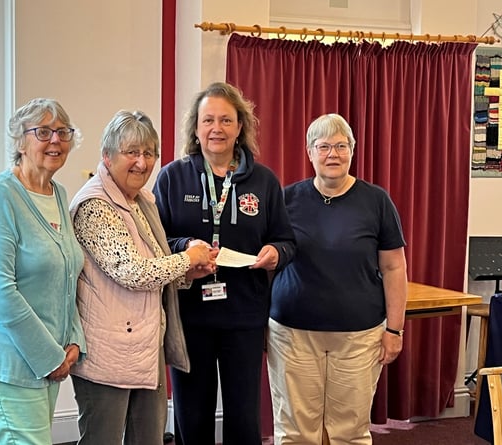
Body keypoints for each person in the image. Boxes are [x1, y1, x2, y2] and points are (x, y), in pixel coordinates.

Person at [152, 82, 296, 445]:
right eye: (208, 120)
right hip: (189, 315)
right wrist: (186, 247)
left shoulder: (264, 181)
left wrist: (276, 254)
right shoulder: (172, 177)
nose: (217, 128)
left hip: (244, 316)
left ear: (240, 127)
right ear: (196, 129)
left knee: (244, 415)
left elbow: (286, 240)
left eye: (226, 120)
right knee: (192, 413)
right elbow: (153, 240)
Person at [69, 110, 217, 445]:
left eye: (149, 153)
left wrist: (188, 271)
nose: (142, 162)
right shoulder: (94, 205)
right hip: (107, 351)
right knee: (101, 439)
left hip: (144, 346)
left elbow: (154, 270)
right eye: (131, 152)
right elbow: (131, 272)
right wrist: (186, 258)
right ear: (107, 156)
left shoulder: (140, 201)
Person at [267, 113, 408, 445]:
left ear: (353, 150)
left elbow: (394, 268)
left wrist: (395, 329)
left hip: (358, 338)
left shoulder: (376, 201)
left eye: (341, 146)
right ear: (309, 153)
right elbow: (268, 265)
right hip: (292, 335)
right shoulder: (287, 200)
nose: (333, 154)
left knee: (350, 431)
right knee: (294, 430)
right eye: (324, 146)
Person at [0, 97, 87, 445]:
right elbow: (0, 290)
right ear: (20, 141)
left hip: (47, 361)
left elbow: (67, 272)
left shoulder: (58, 194)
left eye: (62, 132)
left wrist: (74, 339)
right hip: (8, 360)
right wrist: (50, 355)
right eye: (43, 132)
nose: (56, 141)